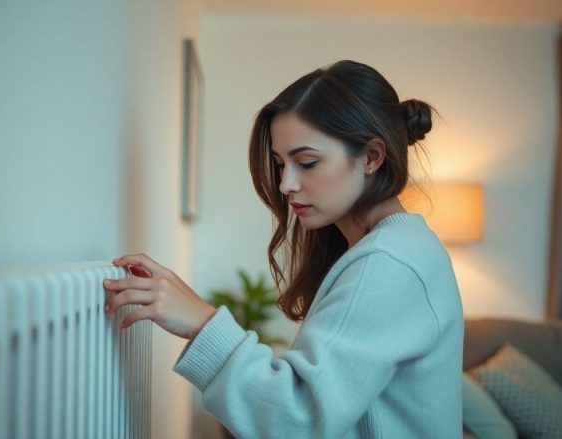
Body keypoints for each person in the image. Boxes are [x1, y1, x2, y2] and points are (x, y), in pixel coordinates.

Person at [103, 60, 463, 438]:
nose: (286, 183)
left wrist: (202, 323)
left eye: (307, 163)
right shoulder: (400, 248)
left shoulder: (388, 263)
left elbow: (296, 420)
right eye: (280, 164)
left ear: (372, 157)